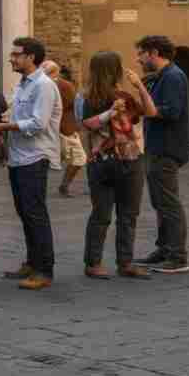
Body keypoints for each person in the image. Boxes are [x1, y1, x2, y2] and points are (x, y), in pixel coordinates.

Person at [0, 37, 61, 290]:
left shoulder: (43, 85)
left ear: (30, 57)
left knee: (35, 214)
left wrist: (6, 126)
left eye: (16, 54)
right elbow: (19, 116)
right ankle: (32, 261)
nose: (11, 58)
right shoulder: (22, 86)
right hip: (18, 158)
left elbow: (38, 123)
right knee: (25, 213)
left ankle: (44, 270)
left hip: (34, 157)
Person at [81, 51, 156, 280]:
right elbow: (88, 124)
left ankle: (102, 263)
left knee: (108, 214)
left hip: (111, 161)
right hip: (121, 161)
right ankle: (118, 263)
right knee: (120, 214)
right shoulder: (89, 99)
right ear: (115, 70)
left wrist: (139, 86)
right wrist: (112, 111)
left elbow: (150, 112)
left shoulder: (117, 96)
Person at [133, 35, 189, 274]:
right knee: (160, 201)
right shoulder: (161, 78)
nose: (138, 59)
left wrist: (141, 90)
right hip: (157, 146)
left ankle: (178, 256)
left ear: (154, 52)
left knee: (168, 202)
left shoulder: (173, 77)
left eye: (141, 54)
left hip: (166, 148)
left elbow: (170, 111)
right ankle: (165, 249)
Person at [42, 61, 87, 197]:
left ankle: (56, 185)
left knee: (50, 159)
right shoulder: (64, 85)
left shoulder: (41, 86)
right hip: (65, 128)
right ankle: (64, 186)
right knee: (79, 158)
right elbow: (72, 104)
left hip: (53, 128)